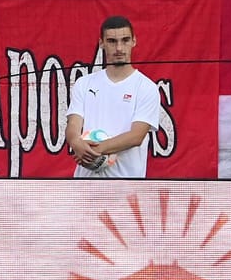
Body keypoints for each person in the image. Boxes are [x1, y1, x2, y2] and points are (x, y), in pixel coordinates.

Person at [65, 16, 164, 178]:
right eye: (112, 41)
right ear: (101, 43)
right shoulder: (84, 83)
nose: (119, 48)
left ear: (134, 41)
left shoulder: (146, 87)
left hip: (126, 185)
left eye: (125, 40)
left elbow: (136, 136)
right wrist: (76, 143)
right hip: (85, 184)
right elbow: (73, 126)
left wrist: (94, 150)